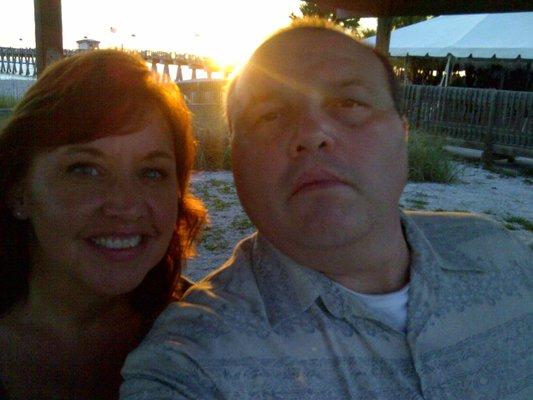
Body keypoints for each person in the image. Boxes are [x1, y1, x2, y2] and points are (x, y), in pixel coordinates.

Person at [120, 19, 532, 399]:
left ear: (401, 133)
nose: (313, 133)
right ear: (236, 158)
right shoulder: (192, 360)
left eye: (349, 103)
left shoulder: (503, 252)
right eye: (270, 114)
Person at [0, 49, 206, 399]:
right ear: (18, 191)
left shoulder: (210, 332)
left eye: (151, 172)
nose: (125, 205)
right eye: (85, 169)